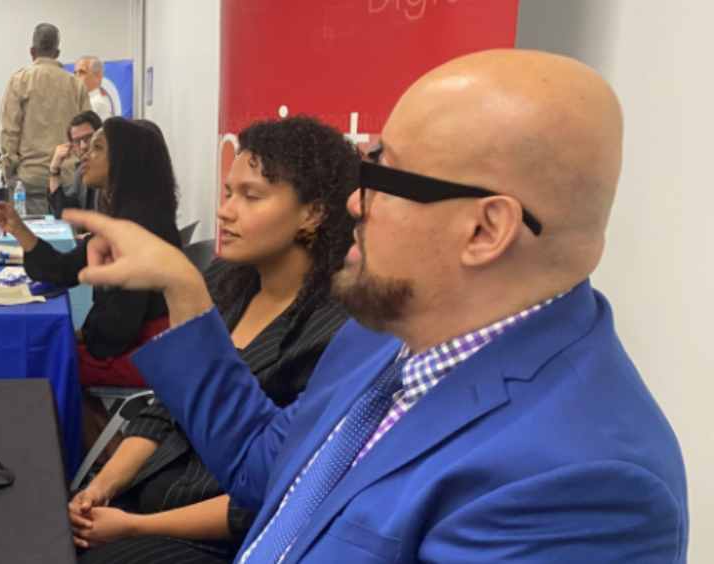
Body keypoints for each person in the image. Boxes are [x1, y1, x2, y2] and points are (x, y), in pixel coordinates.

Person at [64, 50, 687, 563]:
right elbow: (266, 465)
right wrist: (184, 287)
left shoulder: (583, 486)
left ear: (484, 230)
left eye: (383, 179)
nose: (356, 206)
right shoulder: (384, 337)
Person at [70, 116, 358, 563]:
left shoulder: (336, 333)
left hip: (218, 537)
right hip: (151, 495)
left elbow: (278, 490)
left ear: (313, 212)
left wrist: (134, 526)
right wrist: (100, 488)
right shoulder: (225, 280)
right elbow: (167, 405)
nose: (226, 210)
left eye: (251, 196)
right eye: (228, 192)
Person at [0, 117, 179, 454]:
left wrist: (67, 335)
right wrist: (19, 229)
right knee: (52, 355)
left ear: (125, 159)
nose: (84, 156)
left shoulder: (139, 224)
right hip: (136, 340)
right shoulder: (126, 215)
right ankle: (106, 458)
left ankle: (108, 465)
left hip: (148, 350)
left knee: (49, 362)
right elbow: (65, 269)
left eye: (97, 147)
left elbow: (121, 325)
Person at [0, 23, 92, 215]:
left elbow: (10, 131)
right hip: (67, 179)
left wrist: (8, 171)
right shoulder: (76, 85)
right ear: (57, 53)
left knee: (32, 241)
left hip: (29, 178)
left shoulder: (19, 81)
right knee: (67, 241)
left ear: (32, 51)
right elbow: (89, 134)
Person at [49, 110, 102, 219]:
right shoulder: (82, 171)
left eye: (88, 137)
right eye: (77, 141)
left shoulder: (111, 171)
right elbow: (63, 213)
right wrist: (54, 171)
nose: (83, 146)